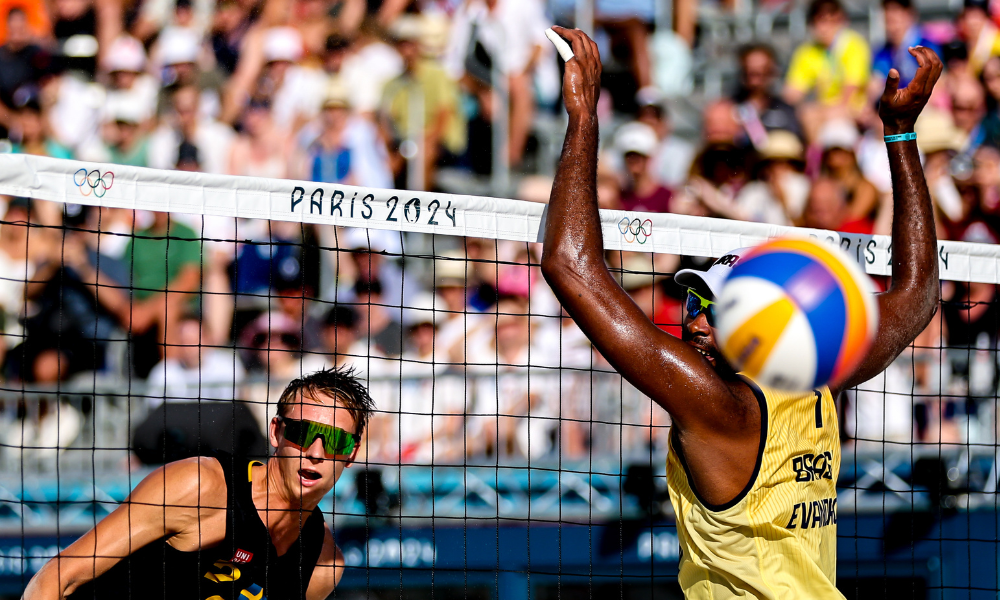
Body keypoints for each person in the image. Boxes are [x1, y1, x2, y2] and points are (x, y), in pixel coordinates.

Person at [541, 27, 942, 597]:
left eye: (718, 309)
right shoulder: (820, 372)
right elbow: (919, 292)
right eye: (694, 301)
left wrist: (583, 118)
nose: (696, 321)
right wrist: (900, 133)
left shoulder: (720, 409)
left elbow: (568, 265)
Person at [24, 366, 373, 600]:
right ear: (276, 432)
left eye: (336, 441)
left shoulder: (323, 563)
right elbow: (58, 576)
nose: (315, 452)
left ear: (352, 452)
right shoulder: (201, 486)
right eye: (303, 433)